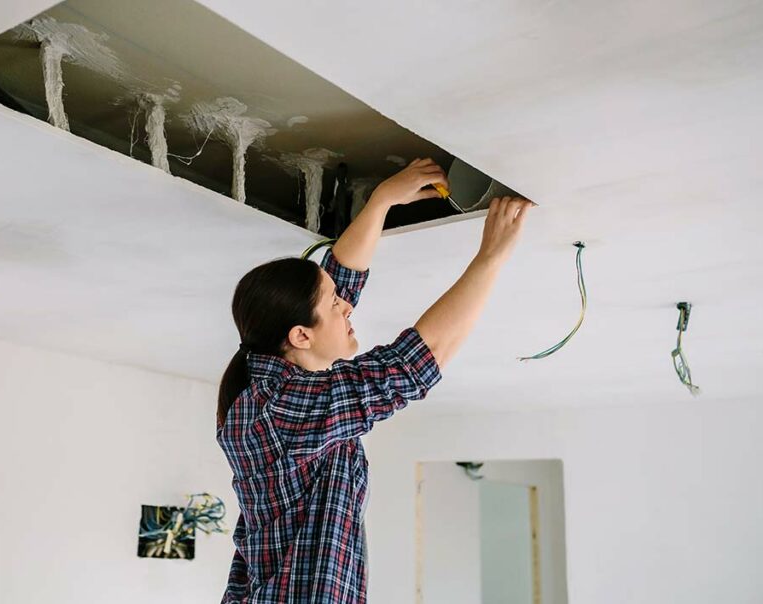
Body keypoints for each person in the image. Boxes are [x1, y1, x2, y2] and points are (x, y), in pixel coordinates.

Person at [216, 158, 532, 602]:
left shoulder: (279, 394)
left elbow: (351, 301)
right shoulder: (284, 405)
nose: (346, 308)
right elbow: (415, 362)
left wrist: (384, 198)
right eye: (335, 307)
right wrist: (491, 256)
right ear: (300, 336)